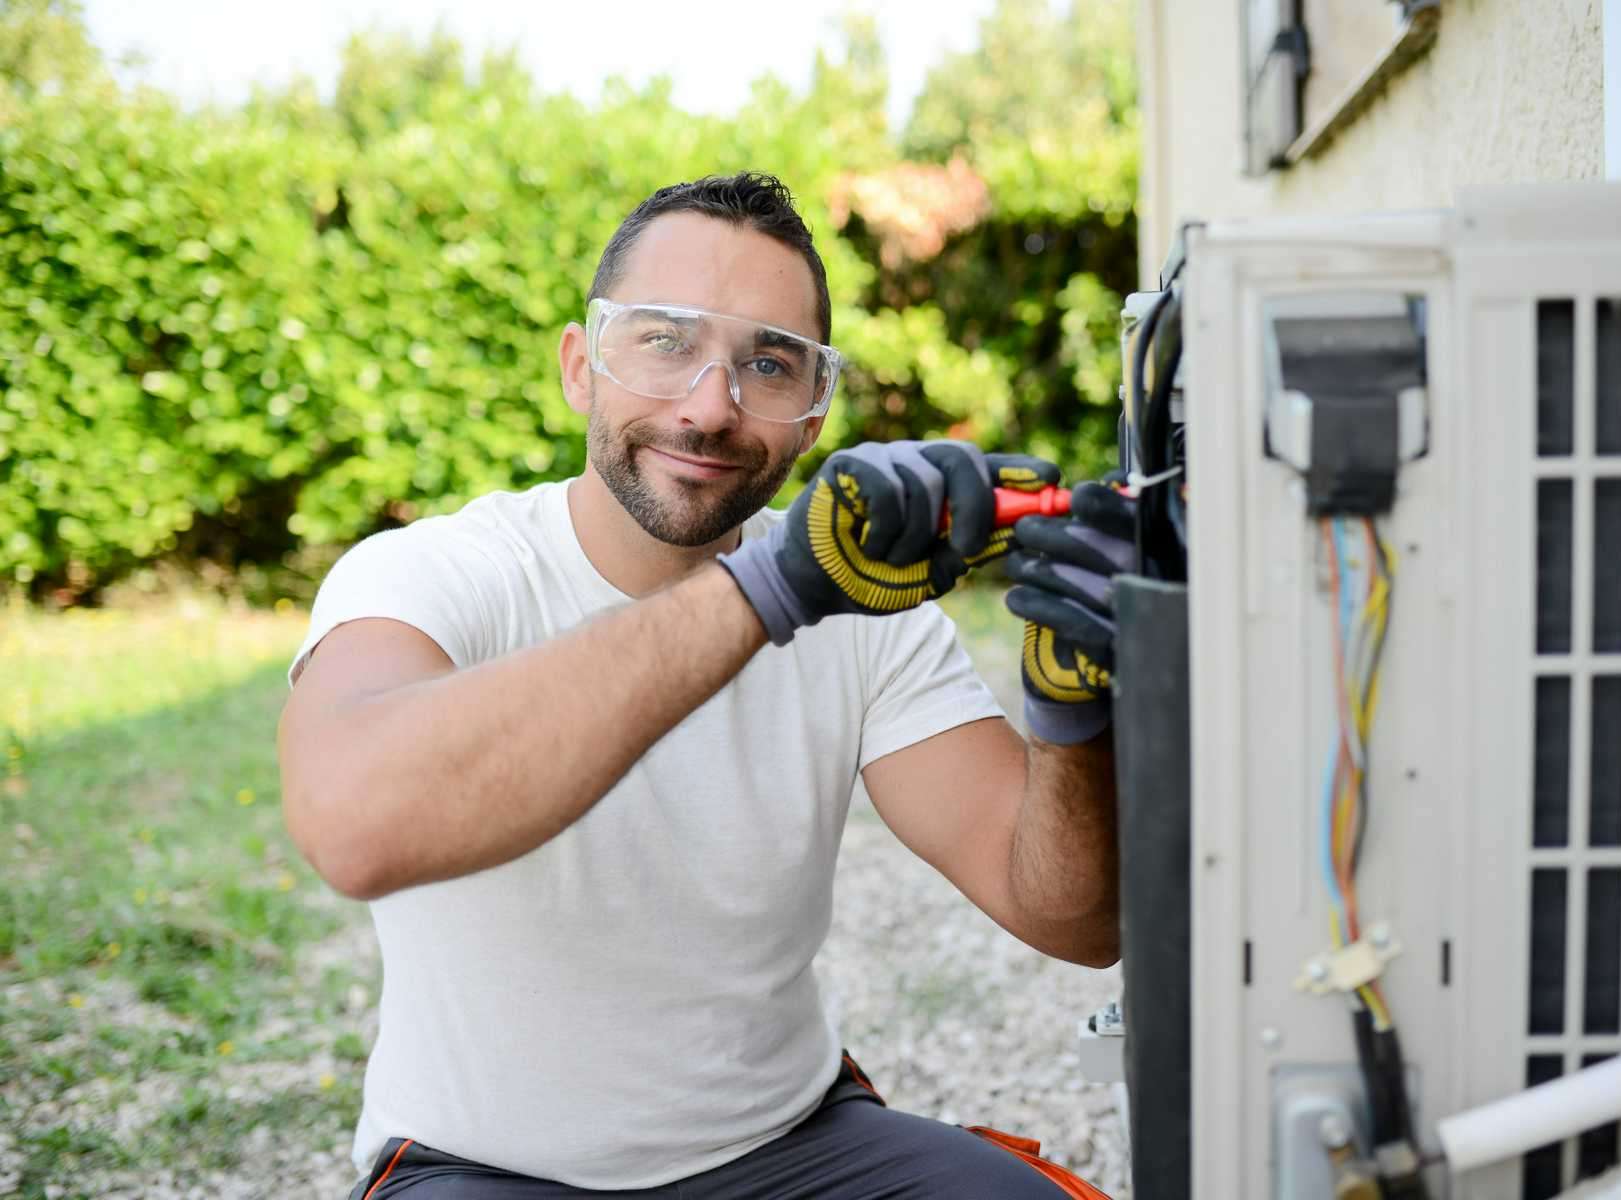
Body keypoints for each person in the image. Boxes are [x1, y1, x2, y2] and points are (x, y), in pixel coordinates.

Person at [278, 172, 1136, 1199]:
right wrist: (773, 588)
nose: (709, 408)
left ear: (813, 413)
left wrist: (1069, 712)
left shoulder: (864, 600)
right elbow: (353, 826)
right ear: (580, 367)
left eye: (768, 363)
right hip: (484, 1167)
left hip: (793, 1146)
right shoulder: (433, 574)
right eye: (665, 340)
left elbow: (1076, 925)